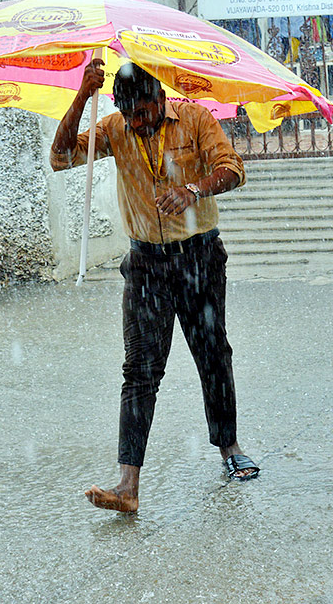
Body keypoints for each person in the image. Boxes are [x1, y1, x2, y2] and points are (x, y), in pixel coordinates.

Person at [50, 61, 259, 513]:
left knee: (213, 354)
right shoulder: (113, 129)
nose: (139, 123)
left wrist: (194, 189)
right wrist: (83, 95)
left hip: (199, 258)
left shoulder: (196, 119)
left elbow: (233, 169)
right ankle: (128, 486)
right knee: (140, 371)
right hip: (146, 265)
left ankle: (231, 449)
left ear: (160, 100)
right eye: (131, 115)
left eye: (145, 112)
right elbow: (61, 158)